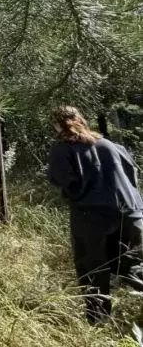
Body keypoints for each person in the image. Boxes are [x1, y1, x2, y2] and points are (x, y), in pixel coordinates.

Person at [47, 105, 143, 324]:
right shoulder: (112, 145)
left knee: (93, 271)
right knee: (132, 266)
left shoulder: (62, 149)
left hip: (92, 217)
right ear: (82, 119)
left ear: (56, 126)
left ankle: (98, 325)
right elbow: (132, 175)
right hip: (132, 213)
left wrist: (78, 194)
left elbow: (60, 179)